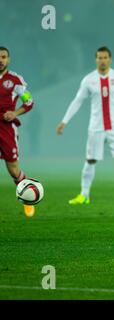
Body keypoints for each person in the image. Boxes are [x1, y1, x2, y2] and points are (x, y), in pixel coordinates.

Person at [56, 46, 114, 204]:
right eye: (99, 58)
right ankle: (84, 195)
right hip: (96, 126)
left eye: (105, 58)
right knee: (90, 159)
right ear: (96, 59)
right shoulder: (88, 80)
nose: (102, 61)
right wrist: (64, 121)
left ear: (110, 59)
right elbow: (78, 101)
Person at [0, 46, 36, 217]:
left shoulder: (15, 81)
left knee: (14, 170)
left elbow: (29, 102)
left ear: (8, 59)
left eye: (4, 56)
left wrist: (14, 113)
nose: (1, 60)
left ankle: (28, 199)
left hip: (6, 128)